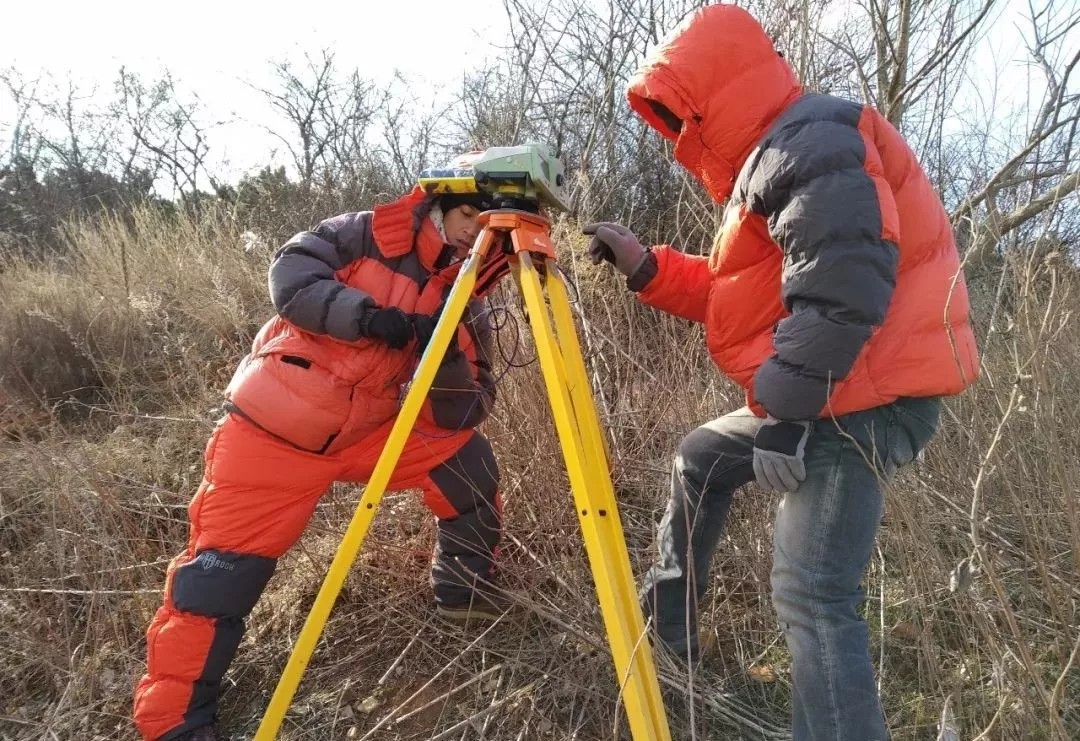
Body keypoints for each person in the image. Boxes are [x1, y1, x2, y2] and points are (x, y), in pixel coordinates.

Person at [584, 5, 979, 740]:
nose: (676, 138)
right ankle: (670, 645)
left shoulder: (813, 139)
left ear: (710, 96)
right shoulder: (773, 162)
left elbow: (843, 288)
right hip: (835, 384)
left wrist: (787, 417)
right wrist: (645, 266)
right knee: (700, 455)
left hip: (859, 396)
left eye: (679, 117)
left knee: (814, 593)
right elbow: (741, 298)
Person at [134, 185, 507, 741]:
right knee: (218, 581)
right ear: (440, 205)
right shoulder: (365, 232)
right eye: (466, 215)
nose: (470, 231)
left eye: (486, 227)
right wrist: (372, 318)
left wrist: (446, 354)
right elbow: (293, 276)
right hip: (274, 430)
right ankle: (173, 723)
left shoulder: (465, 298)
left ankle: (465, 597)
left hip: (368, 433)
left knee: (466, 464)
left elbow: (467, 409)